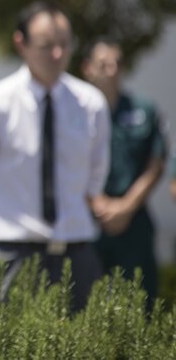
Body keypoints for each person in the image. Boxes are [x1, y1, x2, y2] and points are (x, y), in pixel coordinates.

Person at [0, 0, 111, 311]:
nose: (57, 55)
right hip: (16, 256)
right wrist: (8, 230)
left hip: (76, 253)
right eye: (46, 45)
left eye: (64, 45)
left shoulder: (90, 104)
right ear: (20, 43)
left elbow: (94, 181)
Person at [82, 37, 168, 303]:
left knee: (141, 306)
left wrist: (126, 207)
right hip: (88, 221)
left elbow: (156, 162)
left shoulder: (144, 110)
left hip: (134, 222)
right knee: (86, 307)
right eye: (103, 64)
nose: (112, 70)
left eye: (117, 64)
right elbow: (67, 165)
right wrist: (96, 203)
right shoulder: (74, 114)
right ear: (88, 68)